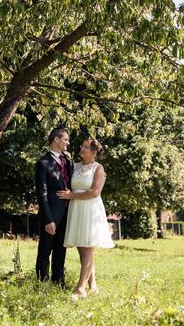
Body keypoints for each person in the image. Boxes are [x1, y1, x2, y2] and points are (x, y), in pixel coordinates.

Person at [57, 137, 114, 299]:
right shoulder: (74, 166)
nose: (81, 149)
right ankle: (93, 286)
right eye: (81, 146)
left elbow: (95, 192)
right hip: (76, 209)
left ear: (94, 152)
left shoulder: (99, 169)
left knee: (88, 248)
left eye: (85, 147)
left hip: (90, 209)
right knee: (82, 248)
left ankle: (80, 288)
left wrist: (71, 195)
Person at [35, 127, 74, 286]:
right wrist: (48, 219)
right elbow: (41, 193)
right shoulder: (43, 163)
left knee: (61, 250)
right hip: (50, 215)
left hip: (67, 213)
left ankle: (59, 282)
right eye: (65, 139)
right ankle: (42, 284)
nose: (67, 142)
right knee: (45, 250)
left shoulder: (68, 161)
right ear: (56, 139)